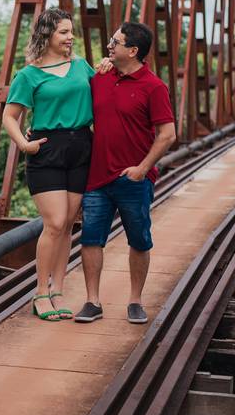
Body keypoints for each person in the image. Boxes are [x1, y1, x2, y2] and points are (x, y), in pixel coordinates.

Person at [2, 8, 110, 321]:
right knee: (55, 222)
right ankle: (39, 293)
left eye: (71, 31)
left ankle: (58, 290)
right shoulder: (29, 74)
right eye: (63, 32)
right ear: (47, 35)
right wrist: (23, 143)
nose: (70, 37)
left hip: (81, 147)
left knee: (67, 226)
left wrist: (105, 67)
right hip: (46, 149)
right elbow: (10, 116)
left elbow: (102, 90)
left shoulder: (80, 66)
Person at [74, 21, 176, 325]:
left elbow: (168, 134)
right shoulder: (100, 78)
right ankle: (92, 301)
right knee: (91, 239)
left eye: (115, 43)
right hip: (97, 177)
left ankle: (135, 300)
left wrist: (143, 169)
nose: (109, 46)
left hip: (134, 179)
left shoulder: (154, 87)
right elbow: (75, 110)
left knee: (139, 240)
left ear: (133, 51)